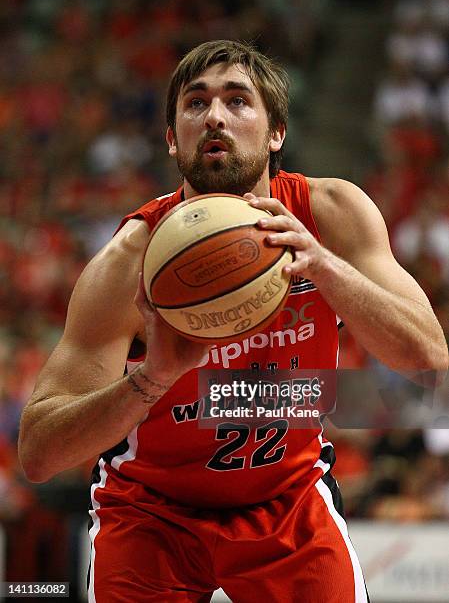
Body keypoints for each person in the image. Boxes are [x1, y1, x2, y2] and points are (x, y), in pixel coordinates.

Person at [19, 40, 448, 603]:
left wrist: (326, 270)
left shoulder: (331, 214)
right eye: (195, 104)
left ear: (277, 134)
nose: (216, 116)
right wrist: (153, 377)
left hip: (287, 499)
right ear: (173, 139)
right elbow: (38, 453)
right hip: (151, 513)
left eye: (238, 100)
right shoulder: (131, 260)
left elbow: (431, 366)